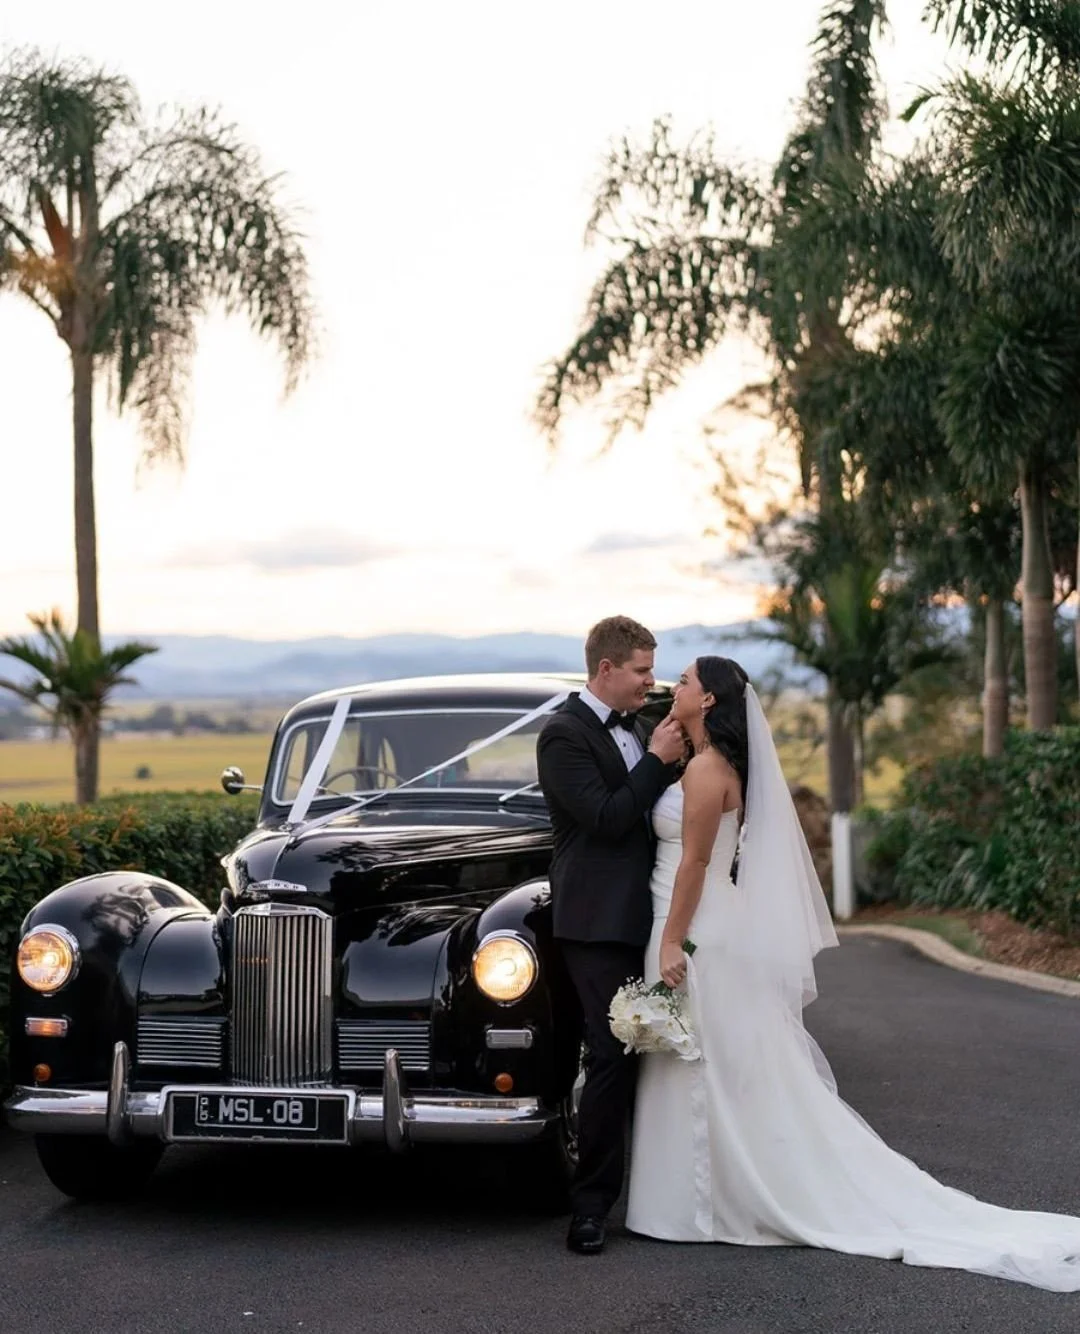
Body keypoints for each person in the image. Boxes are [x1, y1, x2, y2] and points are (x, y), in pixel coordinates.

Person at [626, 655, 1080, 1292]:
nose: (676, 688)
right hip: (698, 921)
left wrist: (673, 940)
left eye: (687, 682)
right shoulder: (703, 763)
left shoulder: (705, 770)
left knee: (705, 1061)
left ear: (709, 701)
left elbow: (696, 864)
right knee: (716, 1063)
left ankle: (704, 1204)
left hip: (697, 928)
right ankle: (701, 1198)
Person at [536, 615, 685, 1255]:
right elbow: (606, 818)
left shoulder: (647, 727)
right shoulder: (562, 736)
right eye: (642, 671)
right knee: (610, 1053)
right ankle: (591, 1208)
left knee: (663, 1050)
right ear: (606, 669)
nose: (651, 683)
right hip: (597, 921)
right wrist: (655, 762)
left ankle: (668, 1191)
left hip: (657, 915)